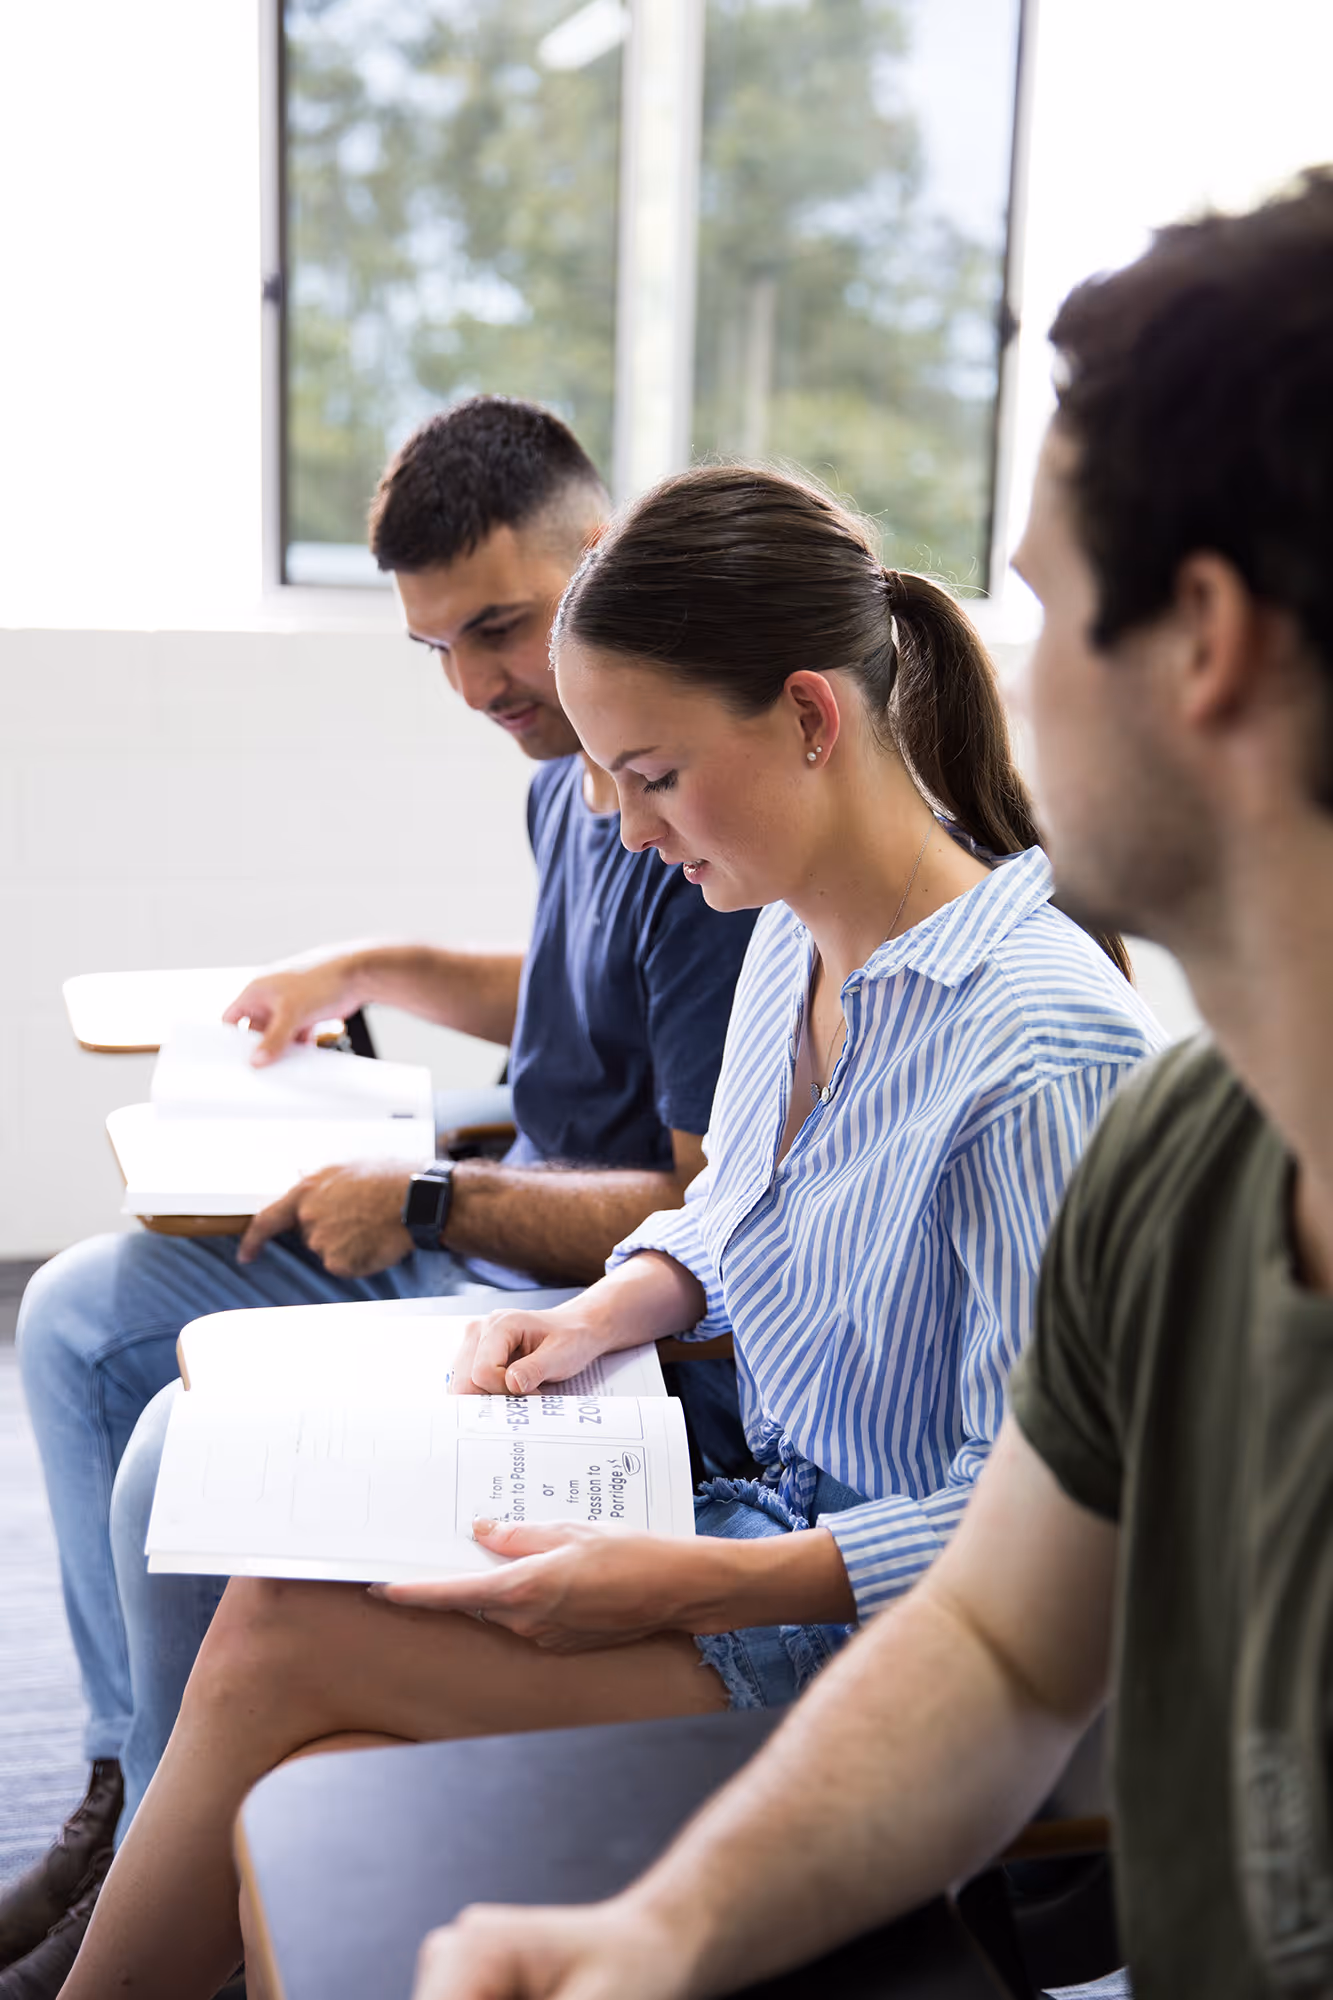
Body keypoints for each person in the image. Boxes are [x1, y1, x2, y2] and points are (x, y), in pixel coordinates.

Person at [378, 170, 1333, 2000]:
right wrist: (654, 1936)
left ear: (1206, 643)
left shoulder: (1072, 1060)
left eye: (1048, 610)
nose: (1000, 680)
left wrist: (695, 1588)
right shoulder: (1194, 1165)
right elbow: (994, 1639)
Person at [55, 459, 1164, 2000]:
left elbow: (1025, 1530)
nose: (624, 831)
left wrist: (692, 1583)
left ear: (807, 718)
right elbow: (734, 1212)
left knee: (273, 1649)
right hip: (750, 1508)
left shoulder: (1041, 1048)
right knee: (322, 1767)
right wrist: (614, 1304)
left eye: (645, 773)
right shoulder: (789, 932)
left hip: (901, 1641)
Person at [2, 397, 758, 1989]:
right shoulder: (567, 778)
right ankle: (126, 1792)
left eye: (503, 627)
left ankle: (169, 1852)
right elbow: (565, 995)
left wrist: (425, 1204)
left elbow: (702, 1214)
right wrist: (370, 967)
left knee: (169, 1447)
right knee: (75, 1315)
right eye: (441, 652)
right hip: (475, 1216)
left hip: (546, 1290)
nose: (482, 686)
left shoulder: (696, 828)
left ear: (604, 563)